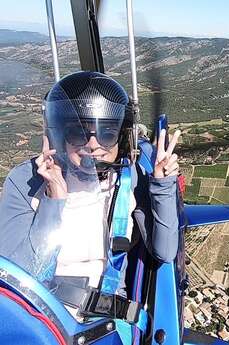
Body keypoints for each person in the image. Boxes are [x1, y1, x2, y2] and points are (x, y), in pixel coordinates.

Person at [0, 71, 181, 306]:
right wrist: (54, 196)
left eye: (107, 133)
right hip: (41, 311)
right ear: (60, 135)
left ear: (121, 138)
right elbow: (17, 277)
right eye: (78, 133)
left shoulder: (129, 179)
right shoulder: (27, 180)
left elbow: (164, 251)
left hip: (107, 315)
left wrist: (163, 184)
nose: (93, 145)